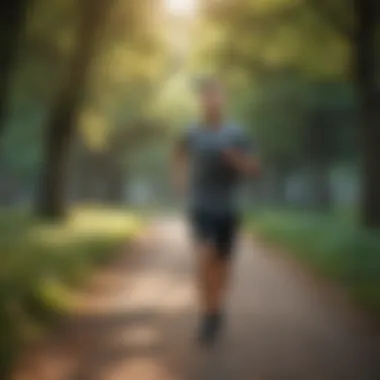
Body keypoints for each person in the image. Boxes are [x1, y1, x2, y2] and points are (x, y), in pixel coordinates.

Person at [171, 77, 260, 346]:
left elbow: (255, 169)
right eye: (206, 96)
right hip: (201, 206)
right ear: (201, 101)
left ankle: (216, 308)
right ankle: (207, 316)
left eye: (216, 95)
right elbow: (177, 156)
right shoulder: (192, 133)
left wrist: (236, 159)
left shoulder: (237, 134)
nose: (211, 101)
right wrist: (180, 182)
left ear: (224, 99)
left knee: (223, 266)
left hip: (228, 208)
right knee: (203, 258)